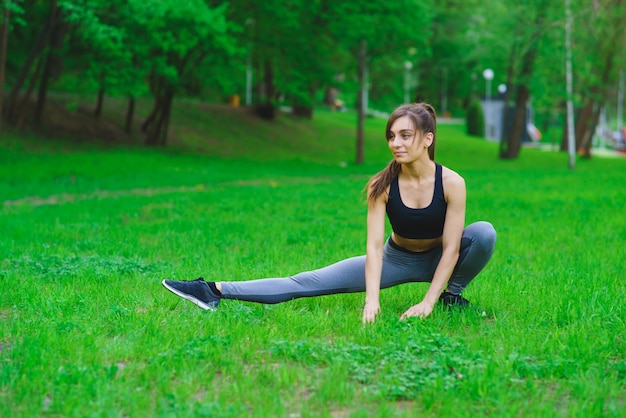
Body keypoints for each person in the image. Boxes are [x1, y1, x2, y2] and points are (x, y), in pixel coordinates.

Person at [162, 103, 496, 323]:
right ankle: (212, 290)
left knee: (483, 233)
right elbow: (374, 248)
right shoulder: (382, 185)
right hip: (395, 259)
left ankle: (451, 297)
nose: (396, 143)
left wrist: (427, 302)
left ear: (427, 139)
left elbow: (453, 249)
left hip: (441, 257)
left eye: (405, 135)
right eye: (391, 136)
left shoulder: (452, 182)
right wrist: (372, 300)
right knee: (305, 282)